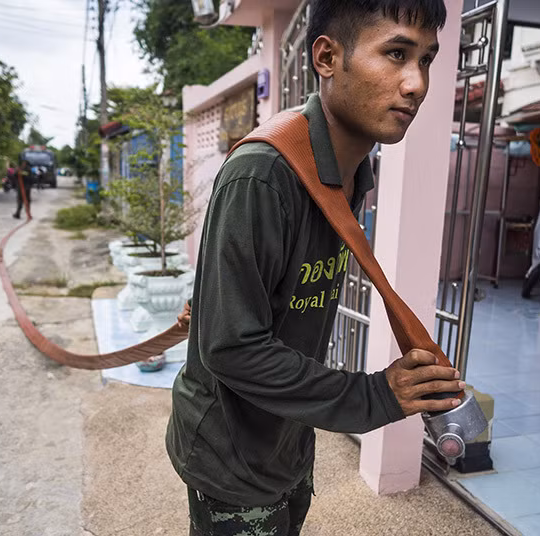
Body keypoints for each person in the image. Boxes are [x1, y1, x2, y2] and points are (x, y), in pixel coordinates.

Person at [167, 1, 461, 535]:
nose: (416, 83)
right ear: (327, 57)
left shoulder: (351, 174)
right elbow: (231, 347)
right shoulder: (262, 176)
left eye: (427, 60)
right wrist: (373, 396)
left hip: (287, 438)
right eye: (395, 53)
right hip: (231, 456)